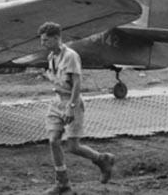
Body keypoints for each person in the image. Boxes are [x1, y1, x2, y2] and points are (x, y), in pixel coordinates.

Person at [39, 21, 114, 195]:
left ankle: (102, 159)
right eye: (42, 40)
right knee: (53, 141)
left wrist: (71, 107)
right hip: (57, 100)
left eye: (46, 40)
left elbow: (77, 84)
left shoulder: (71, 56)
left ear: (57, 38)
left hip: (72, 102)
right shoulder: (51, 56)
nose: (43, 44)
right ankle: (63, 183)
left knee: (73, 146)